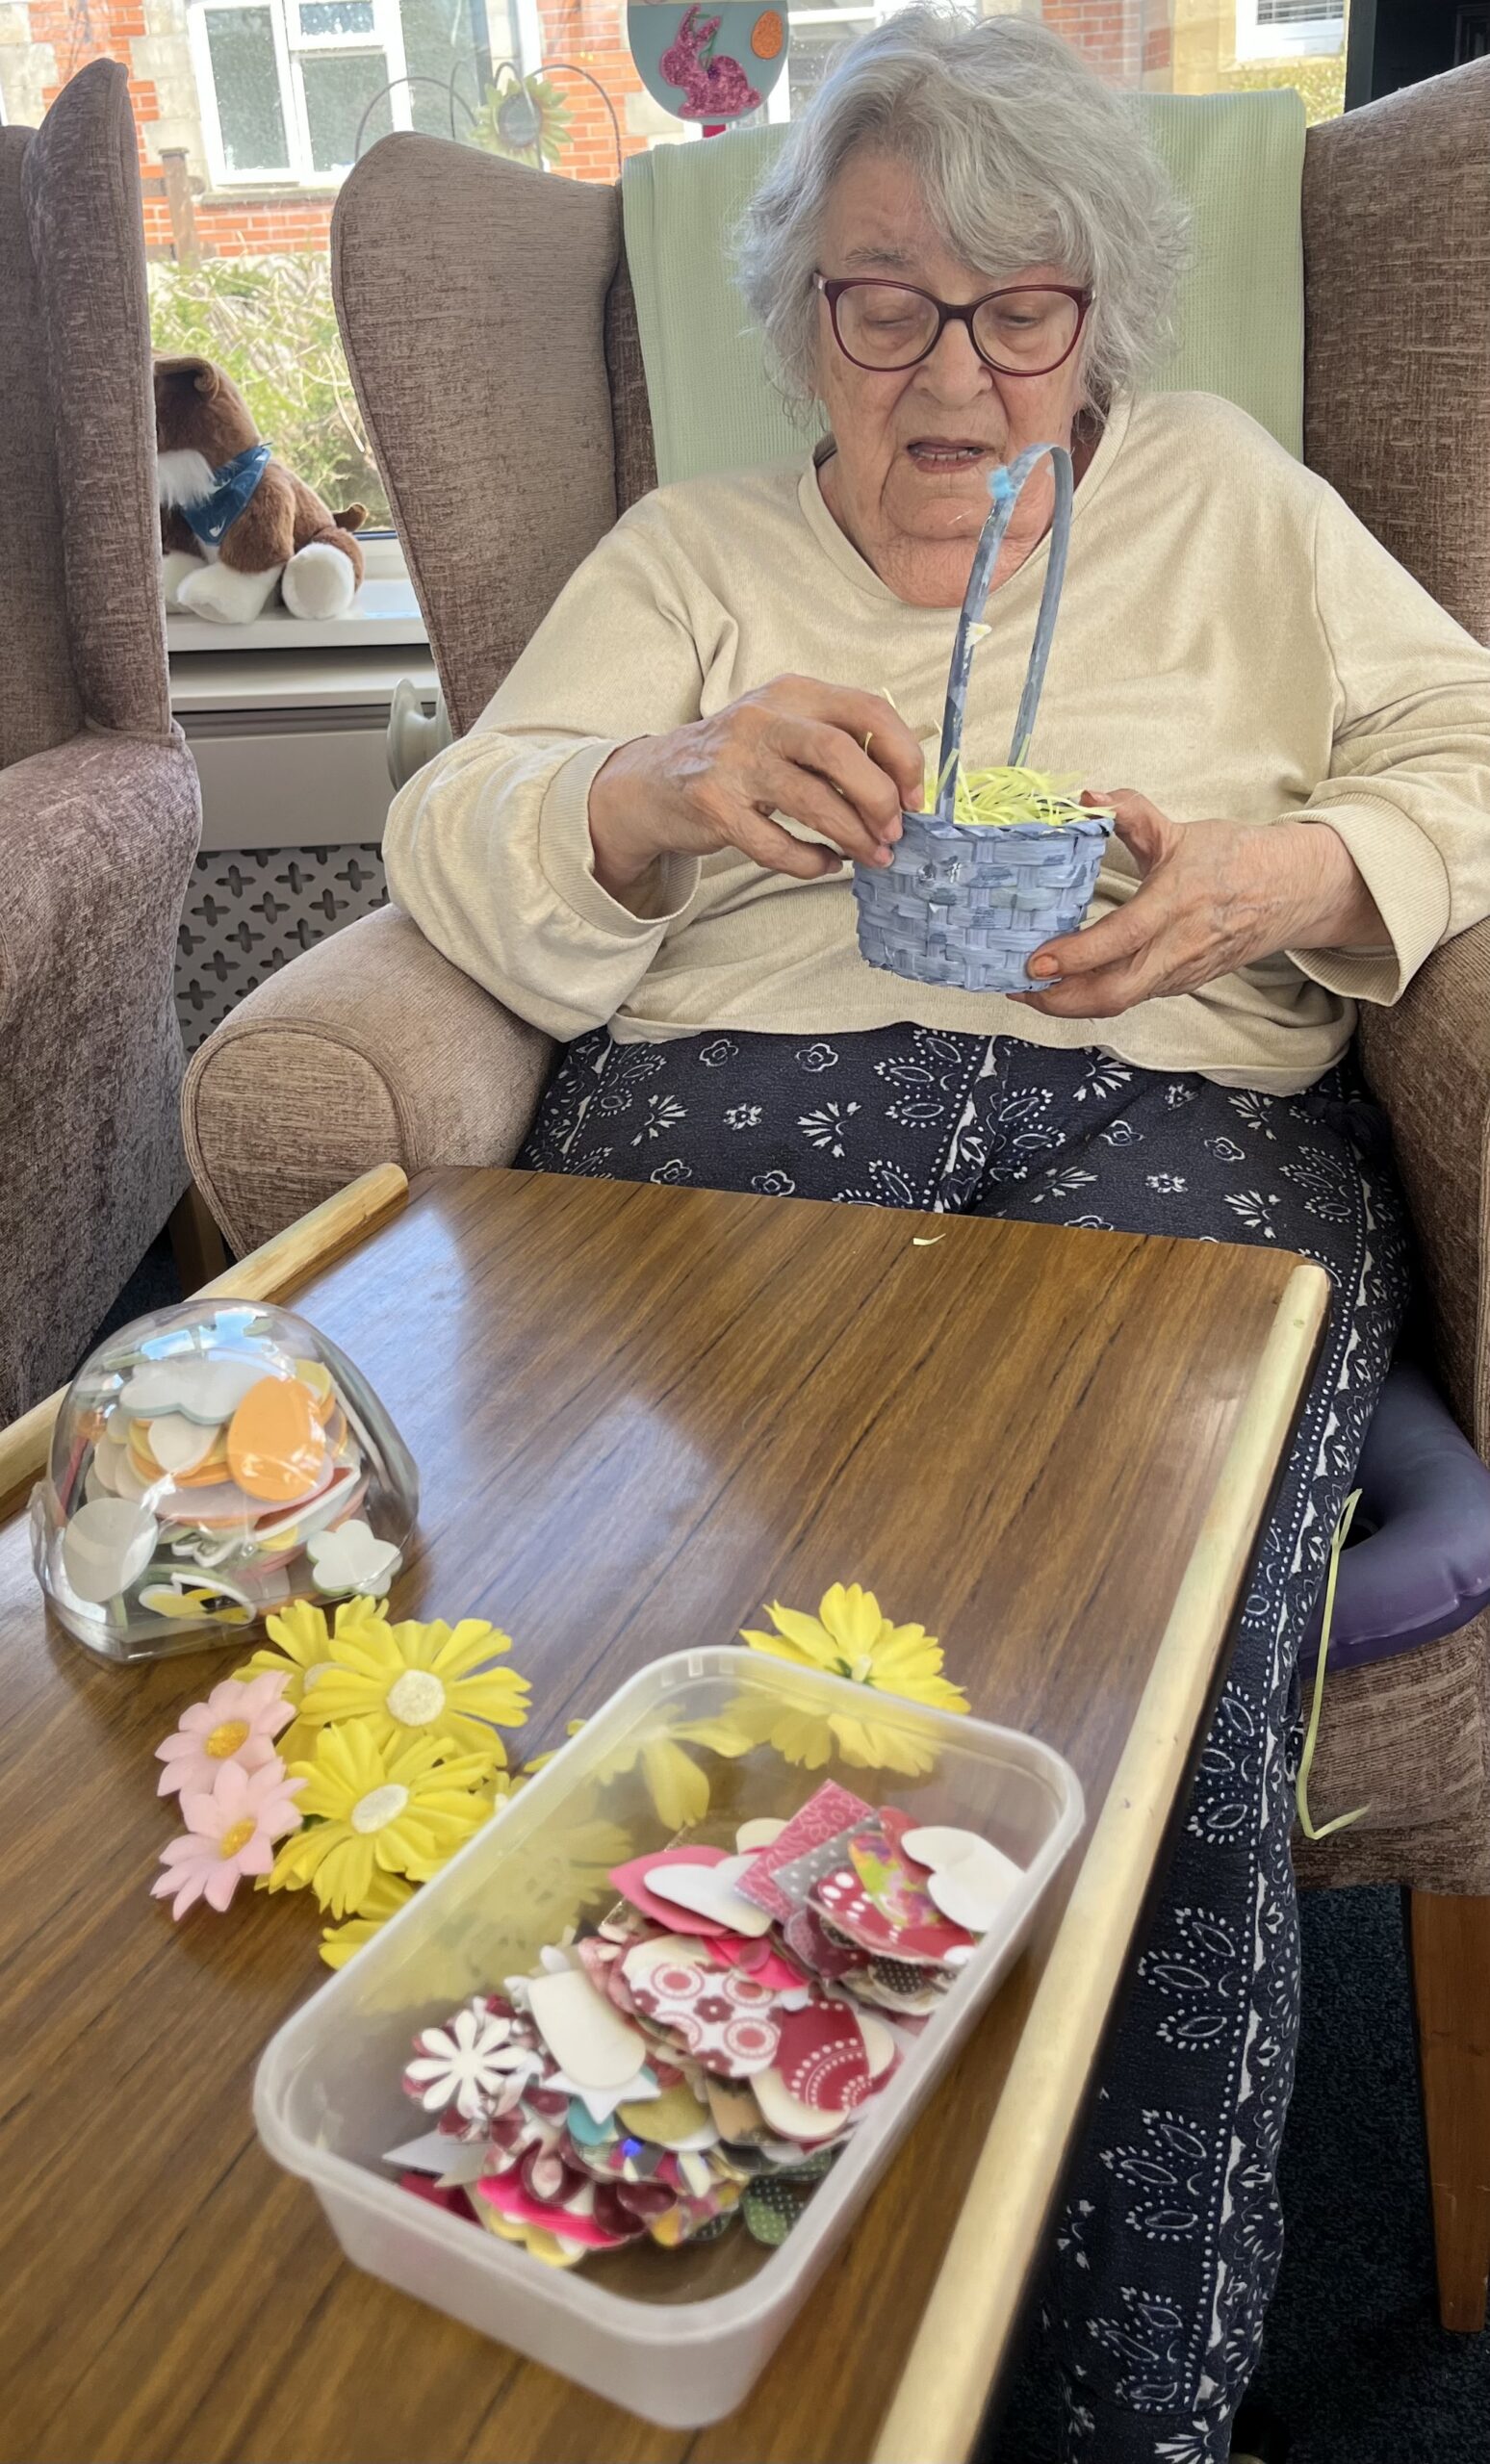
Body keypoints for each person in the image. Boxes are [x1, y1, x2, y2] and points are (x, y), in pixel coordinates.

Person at [383, 12, 1490, 2453]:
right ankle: (644, 2291)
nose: (957, 365)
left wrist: (1274, 878)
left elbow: (1468, 743)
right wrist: (655, 791)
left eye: (1023, 307)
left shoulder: (1227, 493)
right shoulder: (693, 550)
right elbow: (459, 820)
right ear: (807, 324)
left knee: (1156, 1688)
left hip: (1171, 1115)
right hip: (738, 1098)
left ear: (1100, 316)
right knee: (664, 1632)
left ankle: (1127, 2395)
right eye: (889, 301)